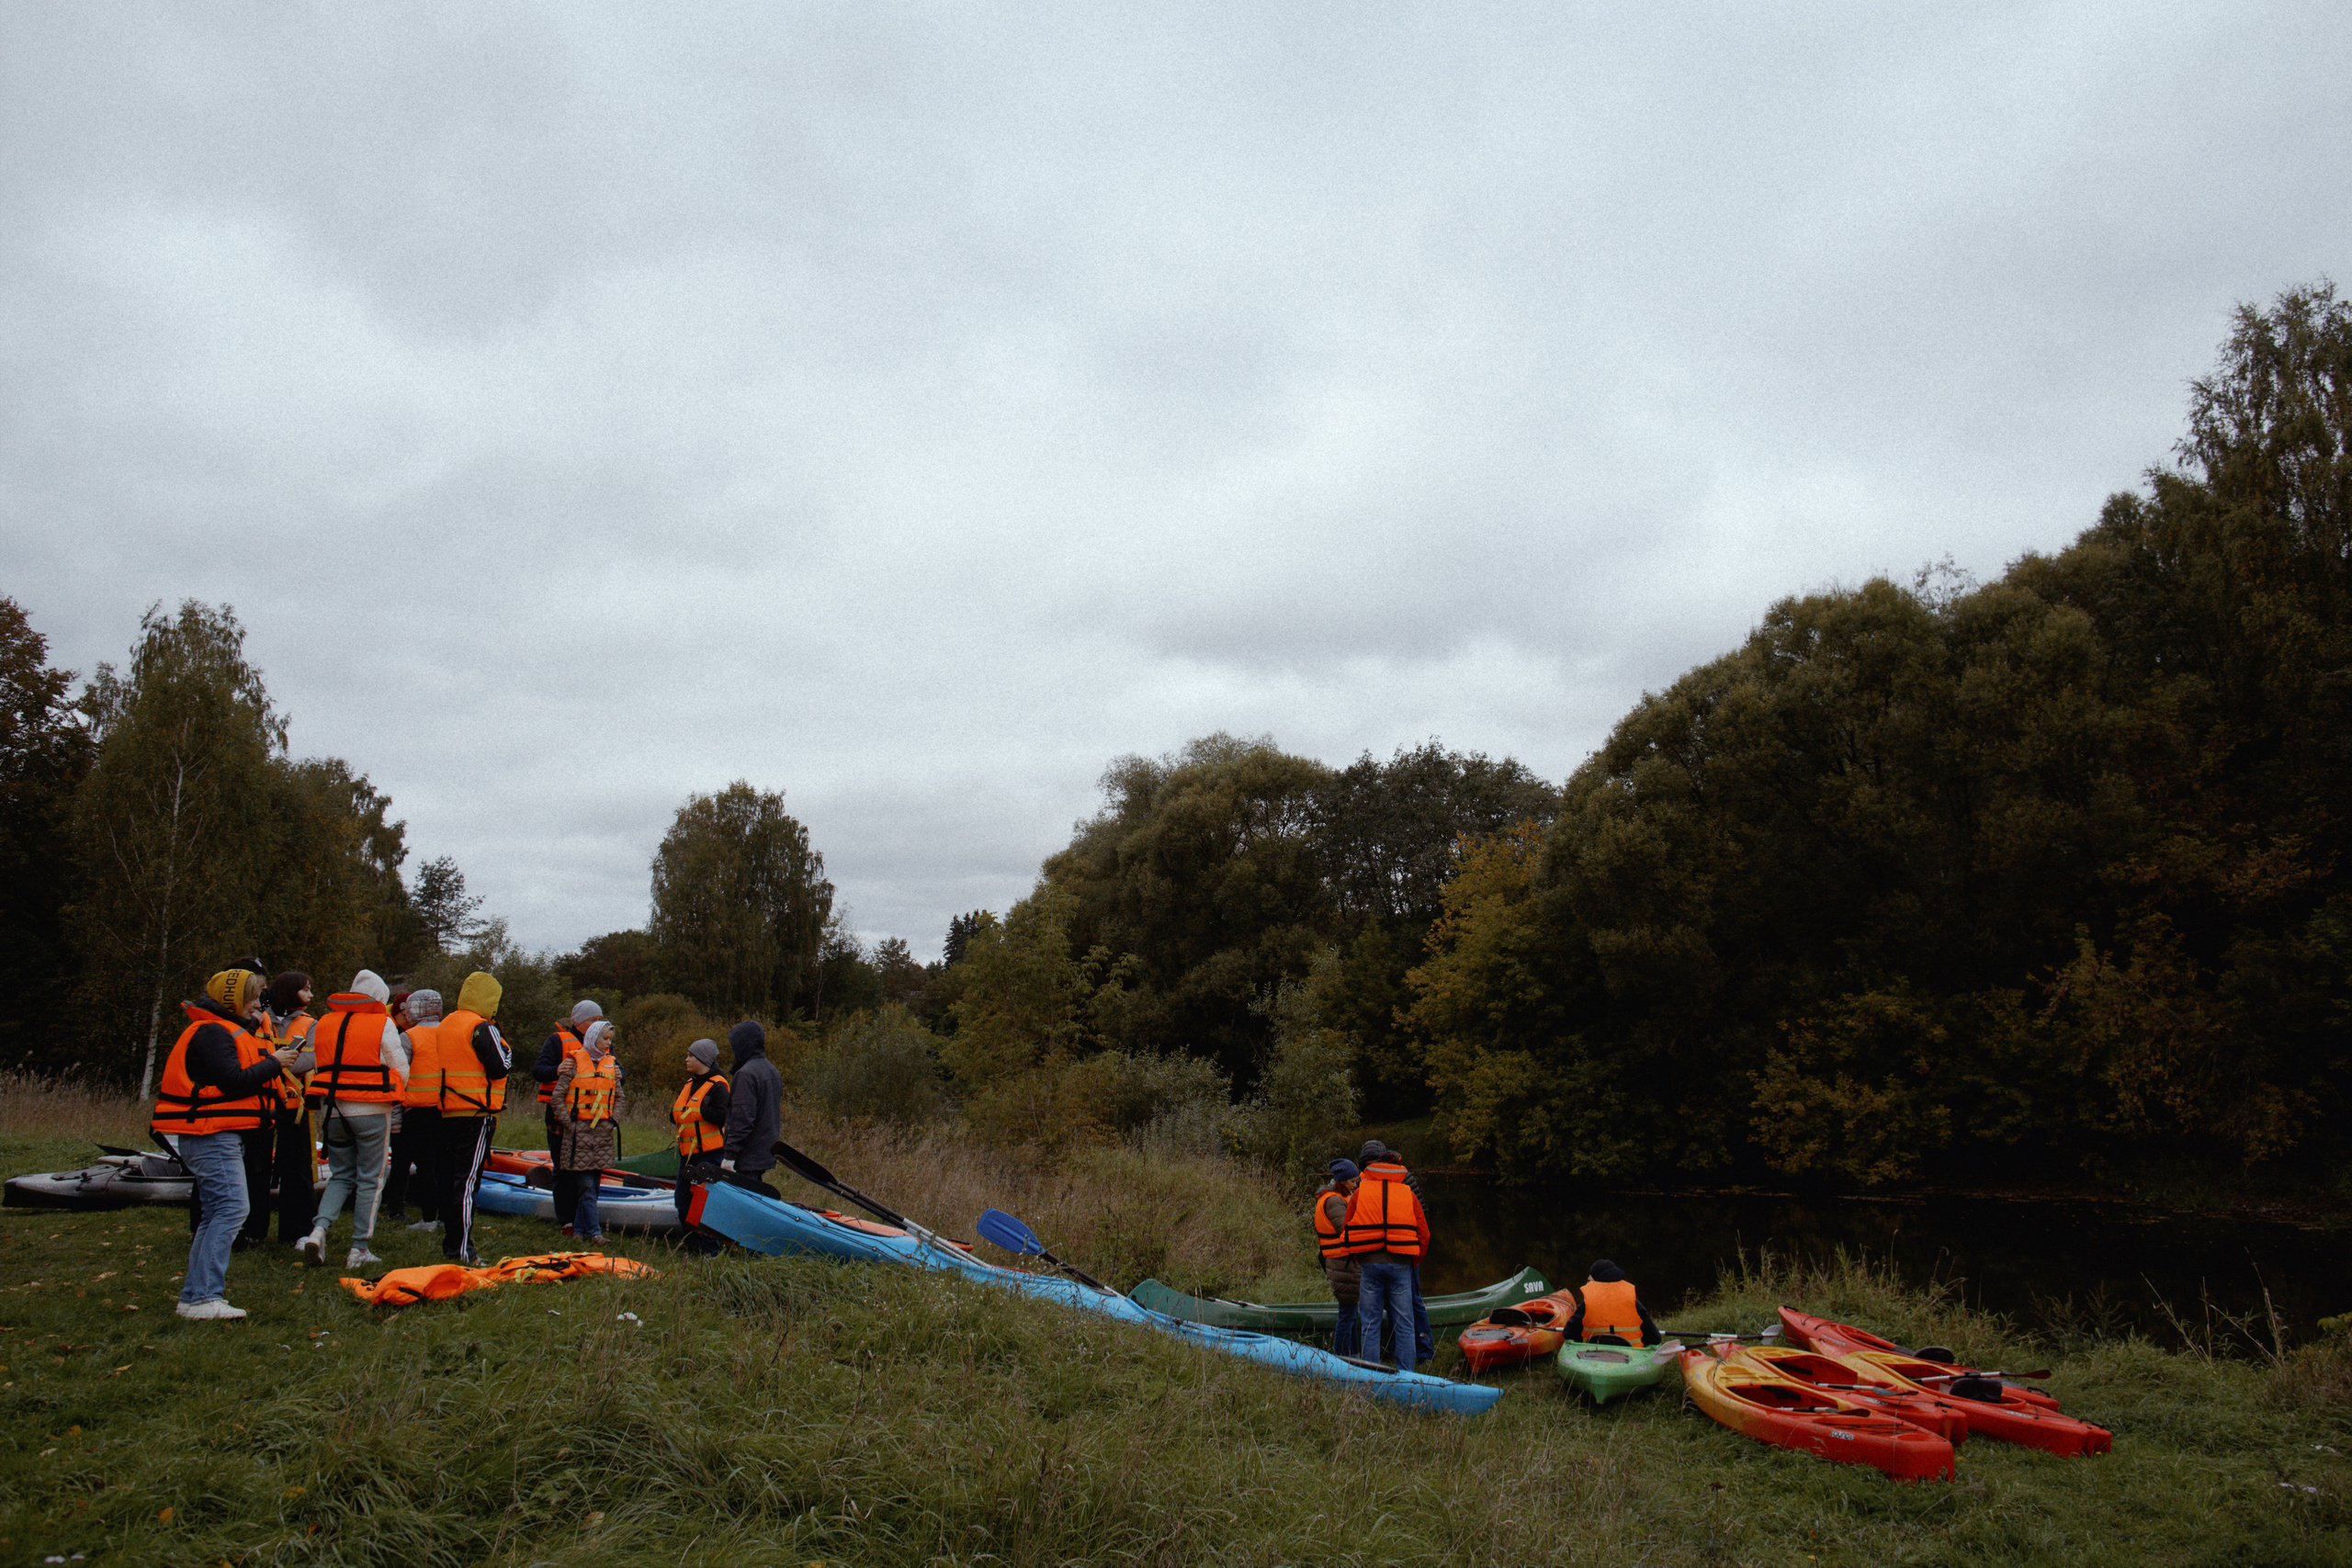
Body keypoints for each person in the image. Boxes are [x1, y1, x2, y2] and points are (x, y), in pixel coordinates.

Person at [153, 968, 302, 1320]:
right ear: (233, 1000)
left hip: (218, 1134)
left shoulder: (222, 1030)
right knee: (233, 1208)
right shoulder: (212, 1033)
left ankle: (196, 1296)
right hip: (209, 1134)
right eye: (253, 998)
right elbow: (234, 1081)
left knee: (217, 1212)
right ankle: (203, 1297)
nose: (258, 1005)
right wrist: (275, 1063)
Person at [298, 970, 411, 1269]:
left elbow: (323, 1065)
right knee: (371, 1179)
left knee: (341, 1175)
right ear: (379, 998)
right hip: (371, 1110)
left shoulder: (324, 1022)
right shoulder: (382, 1023)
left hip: (332, 1110)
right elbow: (401, 1068)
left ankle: (318, 1231)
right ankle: (359, 1249)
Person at [434, 971, 512, 1264]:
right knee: (467, 1184)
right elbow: (499, 1068)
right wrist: (508, 1052)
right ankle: (462, 1250)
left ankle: (452, 1243)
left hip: (447, 1111)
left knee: (452, 1180)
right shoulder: (481, 1026)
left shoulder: (446, 1023)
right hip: (476, 1114)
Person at [238, 971, 319, 1248]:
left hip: (296, 1104)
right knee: (256, 1167)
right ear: (290, 991)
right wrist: (276, 1061)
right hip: (262, 1102)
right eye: (305, 990)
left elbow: (311, 1059)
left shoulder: (310, 1024)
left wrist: (273, 1062)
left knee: (297, 1168)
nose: (310, 996)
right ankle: (252, 1229)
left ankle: (298, 1231)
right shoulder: (259, 1018)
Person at [1343, 1145, 1430, 1373]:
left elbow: (1347, 1230)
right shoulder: (1407, 1193)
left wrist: (1358, 1257)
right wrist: (1413, 1262)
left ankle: (1371, 1376)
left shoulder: (1360, 1192)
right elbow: (1424, 1234)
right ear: (1395, 1169)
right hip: (1401, 1266)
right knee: (1404, 1324)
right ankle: (1406, 1377)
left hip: (1370, 1265)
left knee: (1370, 1324)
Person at [1361, 1139, 1436, 1363]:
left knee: (1411, 1305)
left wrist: (1413, 1259)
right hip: (1400, 1257)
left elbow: (1421, 1221)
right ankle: (1401, 1360)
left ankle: (1423, 1350)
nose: (1368, 1168)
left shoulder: (1403, 1181)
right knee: (1404, 1316)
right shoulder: (1373, 1184)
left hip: (1402, 1253)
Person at [552, 1020, 624, 1244]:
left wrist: (613, 1121)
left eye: (610, 1039)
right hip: (579, 1132)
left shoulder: (611, 1065)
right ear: (593, 1038)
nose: (608, 1044)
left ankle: (580, 1232)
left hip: (602, 1132)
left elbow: (619, 1097)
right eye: (605, 1039)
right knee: (585, 1186)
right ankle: (595, 1233)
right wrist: (570, 1125)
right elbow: (557, 1098)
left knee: (593, 1184)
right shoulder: (573, 1063)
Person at [533, 1001, 603, 1231]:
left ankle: (586, 1220)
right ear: (578, 1022)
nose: (598, 1024)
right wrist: (557, 1069)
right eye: (593, 1020)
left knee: (591, 1171)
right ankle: (567, 1221)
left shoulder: (604, 1045)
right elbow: (538, 1071)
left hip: (593, 1119)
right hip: (561, 1118)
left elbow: (620, 1074)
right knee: (563, 1169)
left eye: (599, 1019)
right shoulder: (557, 1041)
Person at [383, 987, 445, 1231]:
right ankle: (441, 1216)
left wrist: (396, 1117)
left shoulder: (409, 1037)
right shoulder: (449, 1032)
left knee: (407, 1163)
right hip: (444, 1109)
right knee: (438, 1165)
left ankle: (417, 1215)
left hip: (414, 1111)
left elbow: (398, 1077)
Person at [671, 1037, 730, 1254]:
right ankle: (692, 1245)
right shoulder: (690, 1084)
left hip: (709, 1156)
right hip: (687, 1155)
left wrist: (705, 1112)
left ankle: (708, 1249)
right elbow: (678, 1113)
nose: (686, 1059)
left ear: (703, 1059)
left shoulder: (718, 1086)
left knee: (704, 1205)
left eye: (690, 1056)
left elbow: (723, 1117)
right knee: (683, 1201)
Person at [717, 1021, 782, 1197]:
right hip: (763, 1153)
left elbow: (742, 1120)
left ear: (743, 1045)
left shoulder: (746, 1074)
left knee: (740, 1209)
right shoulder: (771, 1071)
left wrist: (730, 1157)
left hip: (746, 1158)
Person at [1314, 1160, 1363, 1358]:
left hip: (1344, 1261)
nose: (1355, 1185)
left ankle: (1353, 1356)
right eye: (1352, 1181)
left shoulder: (1337, 1197)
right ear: (1342, 1181)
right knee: (1347, 1313)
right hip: (1342, 1261)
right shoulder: (1334, 1201)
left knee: (1351, 1312)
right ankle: (1342, 1357)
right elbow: (1347, 1230)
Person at [1564, 1259, 1663, 1346]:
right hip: (1631, 1356)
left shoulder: (1588, 1301)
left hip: (1593, 1354)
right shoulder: (1632, 1300)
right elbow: (1655, 1338)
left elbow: (1568, 1333)